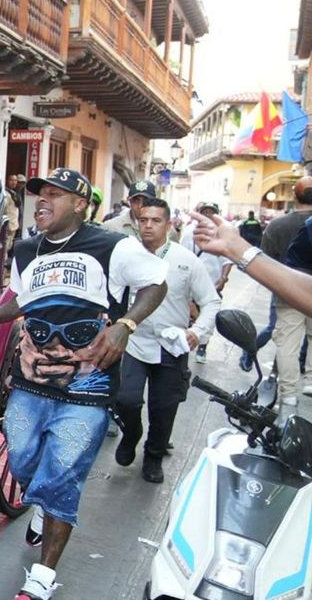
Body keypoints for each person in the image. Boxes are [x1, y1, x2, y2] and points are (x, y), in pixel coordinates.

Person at [0, 167, 167, 600]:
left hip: (86, 390)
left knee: (64, 475)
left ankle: (43, 577)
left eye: (55, 194)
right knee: (23, 457)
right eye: (40, 194)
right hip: (30, 382)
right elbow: (19, 300)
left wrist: (126, 323)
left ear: (80, 204)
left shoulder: (115, 246)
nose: (43, 201)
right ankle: (43, 501)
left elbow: (156, 283)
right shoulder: (27, 249)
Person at [114, 198, 219, 483]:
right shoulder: (126, 256)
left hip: (171, 346)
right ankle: (131, 433)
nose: (148, 225)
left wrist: (197, 331)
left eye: (155, 220)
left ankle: (154, 456)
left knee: (163, 409)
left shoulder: (186, 261)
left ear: (169, 224)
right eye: (143, 219)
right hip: (133, 343)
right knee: (126, 399)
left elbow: (211, 301)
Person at [256, 177, 312, 403]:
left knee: (287, 342)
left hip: (287, 290)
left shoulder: (277, 225)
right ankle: (310, 379)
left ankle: (289, 395)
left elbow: (264, 260)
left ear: (294, 195)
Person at [181, 202, 231, 364]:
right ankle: (185, 343)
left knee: (208, 316)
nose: (208, 215)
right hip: (192, 284)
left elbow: (227, 260)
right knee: (187, 315)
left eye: (212, 212)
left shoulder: (222, 234)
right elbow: (183, 257)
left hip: (212, 284)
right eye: (205, 212)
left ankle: (203, 346)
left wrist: (223, 278)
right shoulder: (190, 233)